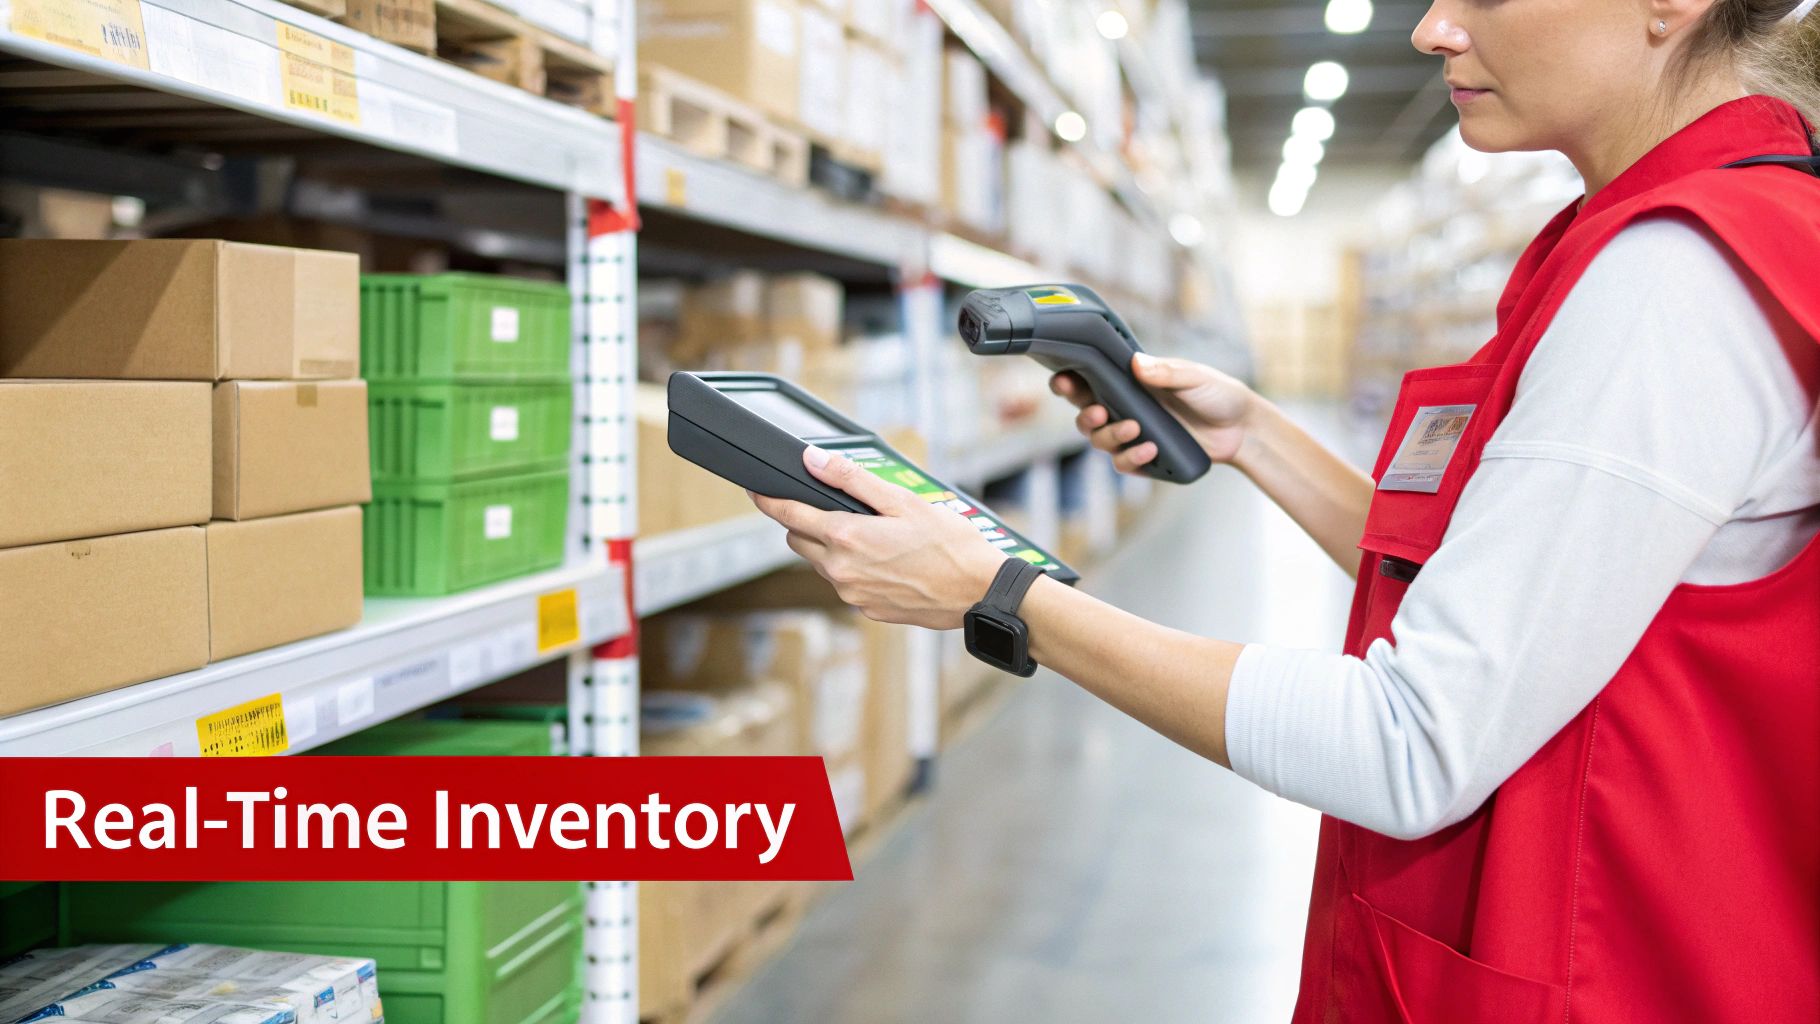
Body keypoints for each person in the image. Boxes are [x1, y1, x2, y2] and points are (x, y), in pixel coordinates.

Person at [750, 0, 1820, 1018]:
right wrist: (1251, 436)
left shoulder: (1667, 282)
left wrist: (1000, 593)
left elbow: (1406, 746)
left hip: (1613, 972)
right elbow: (1506, 585)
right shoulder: (1658, 234)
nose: (1432, 28)